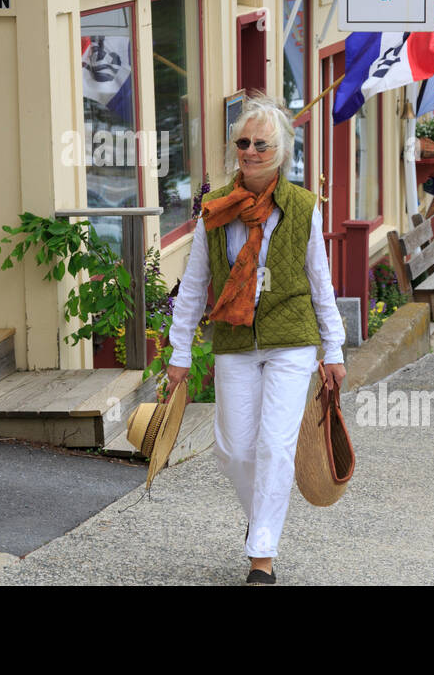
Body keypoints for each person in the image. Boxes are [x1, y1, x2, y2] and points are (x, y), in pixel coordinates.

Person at [165, 93, 347, 585]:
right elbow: (195, 284)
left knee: (274, 446)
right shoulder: (214, 208)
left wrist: (334, 349)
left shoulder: (303, 207)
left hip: (292, 338)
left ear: (282, 152)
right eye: (243, 142)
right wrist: (179, 351)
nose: (249, 151)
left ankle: (261, 556)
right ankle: (261, 519)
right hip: (234, 338)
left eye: (261, 144)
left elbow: (320, 281)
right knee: (234, 449)